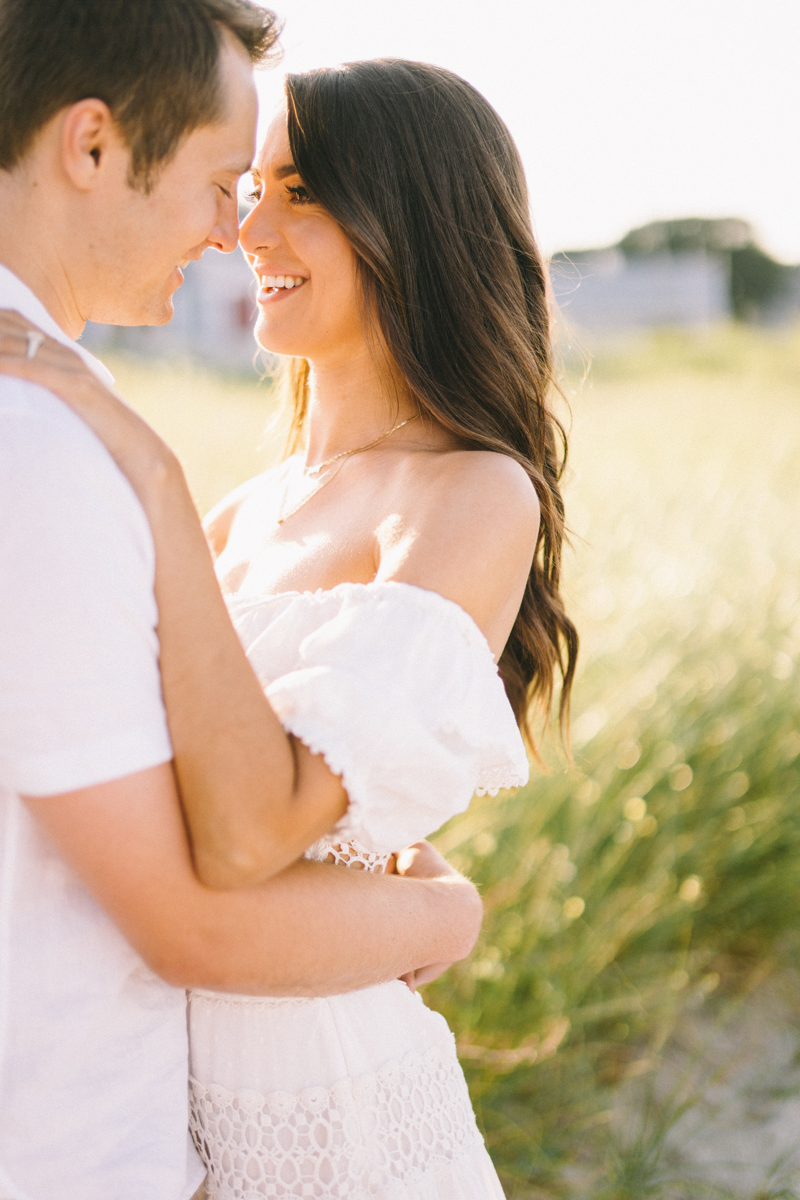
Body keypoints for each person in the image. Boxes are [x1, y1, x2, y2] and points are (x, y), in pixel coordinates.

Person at [0, 57, 578, 1198]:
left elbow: (256, 830)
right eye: (248, 185)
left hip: (341, 1115)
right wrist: (428, 898)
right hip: (180, 1118)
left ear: (410, 218)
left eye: (299, 190)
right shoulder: (236, 515)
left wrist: (149, 474)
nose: (244, 227)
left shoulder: (469, 494)